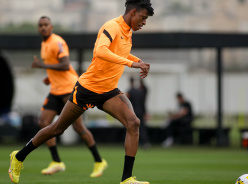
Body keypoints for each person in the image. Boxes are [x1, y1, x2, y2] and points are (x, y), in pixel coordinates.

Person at [8, 0, 154, 184]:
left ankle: (127, 179)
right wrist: (132, 64)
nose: (144, 22)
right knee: (57, 128)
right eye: (143, 17)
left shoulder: (127, 31)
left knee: (134, 123)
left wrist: (138, 61)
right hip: (87, 89)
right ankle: (19, 157)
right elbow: (101, 51)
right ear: (133, 12)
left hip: (109, 91)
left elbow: (121, 53)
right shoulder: (112, 26)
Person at [29, 16, 107, 177]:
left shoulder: (57, 41)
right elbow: (56, 67)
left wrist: (42, 66)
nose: (43, 27)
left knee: (78, 127)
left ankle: (99, 161)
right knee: (43, 121)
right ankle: (56, 161)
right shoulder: (44, 44)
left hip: (69, 88)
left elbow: (65, 65)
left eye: (46, 25)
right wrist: (49, 76)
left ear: (51, 27)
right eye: (40, 25)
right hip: (56, 89)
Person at [126, 77, 151, 149]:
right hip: (140, 112)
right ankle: (146, 143)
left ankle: (131, 143)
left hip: (133, 113)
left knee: (131, 128)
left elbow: (127, 102)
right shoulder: (140, 92)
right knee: (142, 128)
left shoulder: (130, 91)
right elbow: (143, 103)